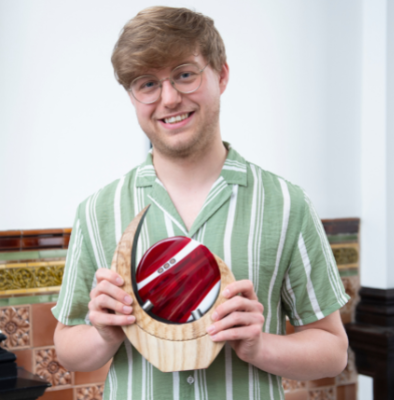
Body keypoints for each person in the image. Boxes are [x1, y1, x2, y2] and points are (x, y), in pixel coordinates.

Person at [53, 6, 349, 400]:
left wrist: (260, 346)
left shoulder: (286, 203)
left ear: (221, 74)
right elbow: (66, 347)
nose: (170, 99)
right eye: (147, 84)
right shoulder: (96, 211)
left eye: (185, 75)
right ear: (131, 95)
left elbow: (333, 351)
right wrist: (103, 336)